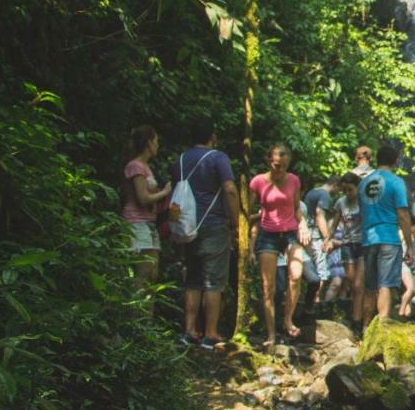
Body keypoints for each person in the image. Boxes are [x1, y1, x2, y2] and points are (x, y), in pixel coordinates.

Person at [171, 118, 239, 350]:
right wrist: (234, 222)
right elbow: (229, 189)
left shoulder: (180, 160)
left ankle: (189, 331)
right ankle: (210, 333)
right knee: (213, 281)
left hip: (186, 226)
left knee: (193, 279)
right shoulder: (217, 158)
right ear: (213, 136)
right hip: (213, 224)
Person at [249, 144, 311, 346]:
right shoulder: (258, 182)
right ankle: (271, 334)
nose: (279, 169)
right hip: (268, 234)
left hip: (291, 233)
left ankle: (287, 319)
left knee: (296, 275)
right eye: (276, 165)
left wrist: (303, 225)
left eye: (283, 166)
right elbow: (246, 212)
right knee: (269, 287)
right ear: (269, 161)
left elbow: (296, 209)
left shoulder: (293, 180)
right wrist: (254, 222)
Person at [356, 145, 415, 326]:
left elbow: (362, 212)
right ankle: (382, 330)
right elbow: (403, 215)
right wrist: (410, 245)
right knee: (385, 286)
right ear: (395, 161)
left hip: (368, 238)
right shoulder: (396, 182)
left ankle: (366, 328)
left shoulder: (363, 183)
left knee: (369, 287)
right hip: (389, 238)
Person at [121, 125, 171, 290]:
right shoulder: (135, 166)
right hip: (136, 223)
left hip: (149, 224)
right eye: (156, 142)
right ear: (149, 143)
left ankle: (147, 314)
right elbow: (142, 198)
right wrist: (164, 192)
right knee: (142, 273)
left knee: (152, 274)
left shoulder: (146, 167)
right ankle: (135, 314)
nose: (158, 145)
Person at [324, 172, 362, 316]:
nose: (348, 193)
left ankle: (358, 318)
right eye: (344, 190)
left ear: (358, 187)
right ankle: (353, 313)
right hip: (347, 245)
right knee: (352, 283)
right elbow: (334, 224)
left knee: (359, 284)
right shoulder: (341, 202)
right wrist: (328, 239)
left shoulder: (364, 202)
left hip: (363, 244)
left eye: (350, 190)